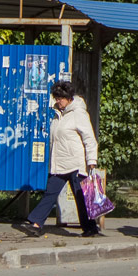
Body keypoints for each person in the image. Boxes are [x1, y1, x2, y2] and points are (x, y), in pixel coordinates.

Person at [17, 80, 100, 238]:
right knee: (50, 193)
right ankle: (36, 224)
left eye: (60, 98)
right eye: (56, 98)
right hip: (59, 163)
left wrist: (91, 161)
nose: (58, 101)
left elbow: (89, 138)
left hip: (76, 163)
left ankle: (90, 228)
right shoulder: (57, 115)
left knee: (80, 197)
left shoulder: (79, 113)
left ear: (69, 98)